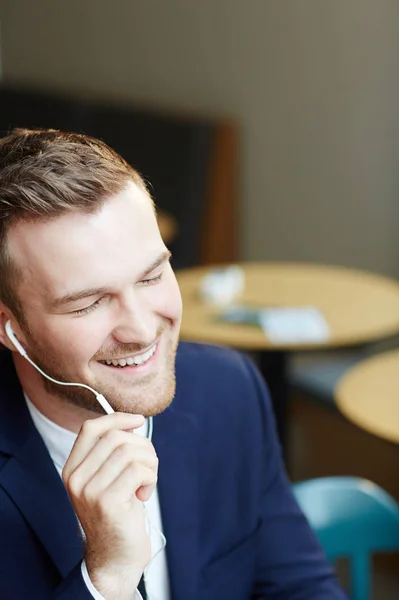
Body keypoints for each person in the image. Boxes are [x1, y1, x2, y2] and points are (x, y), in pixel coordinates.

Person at [0, 128, 347, 600]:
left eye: (152, 276)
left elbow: (300, 588)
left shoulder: (228, 389)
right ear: (9, 328)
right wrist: (104, 580)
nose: (142, 331)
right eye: (88, 304)